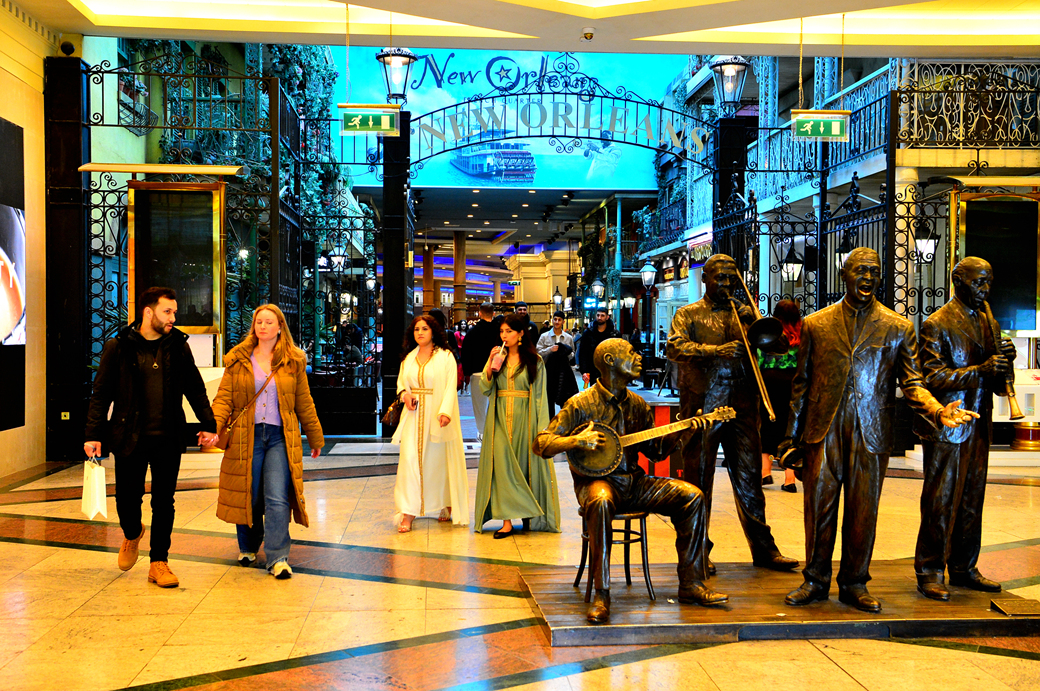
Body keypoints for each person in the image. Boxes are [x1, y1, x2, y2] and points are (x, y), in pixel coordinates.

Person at [779, 247, 977, 613]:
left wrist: (937, 410)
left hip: (870, 432)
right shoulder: (817, 324)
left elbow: (913, 382)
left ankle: (855, 582)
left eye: (874, 271)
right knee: (818, 507)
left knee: (863, 511)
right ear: (844, 275)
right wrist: (791, 437)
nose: (868, 278)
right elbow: (801, 384)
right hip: (824, 430)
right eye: (861, 270)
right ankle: (815, 580)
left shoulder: (897, 327)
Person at [533, 338, 727, 624]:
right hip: (596, 484)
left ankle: (691, 583)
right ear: (610, 360)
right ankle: (602, 594)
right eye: (631, 353)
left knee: (692, 496)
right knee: (601, 501)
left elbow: (656, 452)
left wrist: (685, 430)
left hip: (634, 484)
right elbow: (541, 443)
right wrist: (576, 441)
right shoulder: (580, 404)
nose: (639, 357)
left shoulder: (637, 404)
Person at [666, 255, 797, 575]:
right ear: (706, 279)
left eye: (731, 279)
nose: (726, 284)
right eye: (720, 278)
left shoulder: (744, 314)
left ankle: (764, 549)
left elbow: (780, 346)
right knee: (699, 480)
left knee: (750, 477)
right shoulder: (688, 314)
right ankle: (696, 551)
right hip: (704, 405)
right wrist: (714, 351)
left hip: (743, 404)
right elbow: (674, 347)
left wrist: (757, 319)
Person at [84, 287, 216, 588]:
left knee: (164, 501)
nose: (173, 318)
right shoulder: (118, 347)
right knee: (127, 499)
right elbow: (101, 394)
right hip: (129, 436)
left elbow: (195, 388)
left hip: (168, 436)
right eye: (167, 311)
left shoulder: (178, 347)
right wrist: (93, 434)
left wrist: (209, 424)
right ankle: (132, 533)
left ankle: (159, 562)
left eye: (174, 312)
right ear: (148, 312)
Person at [913, 257, 1016, 601]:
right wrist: (981, 369)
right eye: (977, 282)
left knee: (972, 499)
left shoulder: (989, 321)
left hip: (979, 425)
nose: (984, 289)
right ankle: (930, 569)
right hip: (949, 426)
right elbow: (933, 377)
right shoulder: (937, 323)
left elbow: (998, 385)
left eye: (988, 282)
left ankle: (964, 566)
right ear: (958, 281)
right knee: (941, 500)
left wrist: (1005, 362)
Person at [205, 304, 324, 579]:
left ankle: (278, 557)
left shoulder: (293, 361)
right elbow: (224, 399)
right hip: (246, 435)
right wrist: (212, 428)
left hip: (279, 437)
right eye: (259, 322)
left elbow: (304, 402)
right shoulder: (238, 359)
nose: (263, 326)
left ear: (280, 327)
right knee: (248, 492)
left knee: (277, 496)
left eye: (269, 322)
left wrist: (315, 436)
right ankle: (248, 546)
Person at [474, 313, 561, 537]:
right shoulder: (497, 357)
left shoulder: (535, 361)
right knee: (502, 468)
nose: (504, 335)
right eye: (502, 332)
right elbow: (485, 388)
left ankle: (526, 513)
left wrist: (542, 429)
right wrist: (490, 365)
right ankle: (506, 521)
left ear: (520, 334)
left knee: (522, 466)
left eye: (509, 331)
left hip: (526, 419)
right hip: (499, 418)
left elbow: (540, 396)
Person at [392, 315, 469, 533]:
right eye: (417, 329)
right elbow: (401, 384)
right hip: (413, 417)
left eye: (424, 329)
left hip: (438, 416)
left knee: (438, 462)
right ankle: (408, 512)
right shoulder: (409, 358)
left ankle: (446, 502)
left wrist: (445, 412)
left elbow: (450, 386)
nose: (420, 333)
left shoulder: (445, 356)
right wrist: (405, 395)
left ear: (433, 331)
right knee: (409, 461)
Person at [759, 300, 800, 493]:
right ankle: (790, 478)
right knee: (790, 430)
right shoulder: (802, 334)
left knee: (767, 426)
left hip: (769, 384)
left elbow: (758, 359)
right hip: (793, 386)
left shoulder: (769, 334)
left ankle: (765, 472)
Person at [461, 303, 500, 441]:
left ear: (480, 313)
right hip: (496, 371)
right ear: (493, 313)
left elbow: (466, 353)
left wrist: (467, 373)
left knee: (479, 405)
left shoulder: (472, 332)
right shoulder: (499, 331)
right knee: (496, 402)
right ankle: (496, 430)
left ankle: (482, 432)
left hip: (477, 372)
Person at [537, 311, 578, 416]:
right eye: (555, 319)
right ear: (552, 320)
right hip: (548, 371)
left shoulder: (568, 338)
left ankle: (563, 421)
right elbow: (538, 352)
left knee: (564, 398)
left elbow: (572, 353)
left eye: (559, 320)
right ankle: (550, 422)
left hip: (563, 372)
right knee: (549, 399)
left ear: (563, 322)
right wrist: (550, 349)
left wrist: (566, 353)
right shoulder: (544, 336)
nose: (557, 322)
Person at [579, 308, 619, 388]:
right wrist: (584, 371)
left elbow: (618, 353)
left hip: (609, 370)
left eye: (602, 315)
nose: (599, 317)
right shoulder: (588, 333)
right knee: (595, 392)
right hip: (593, 368)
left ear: (607, 317)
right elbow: (583, 352)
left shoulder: (614, 334)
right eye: (598, 315)